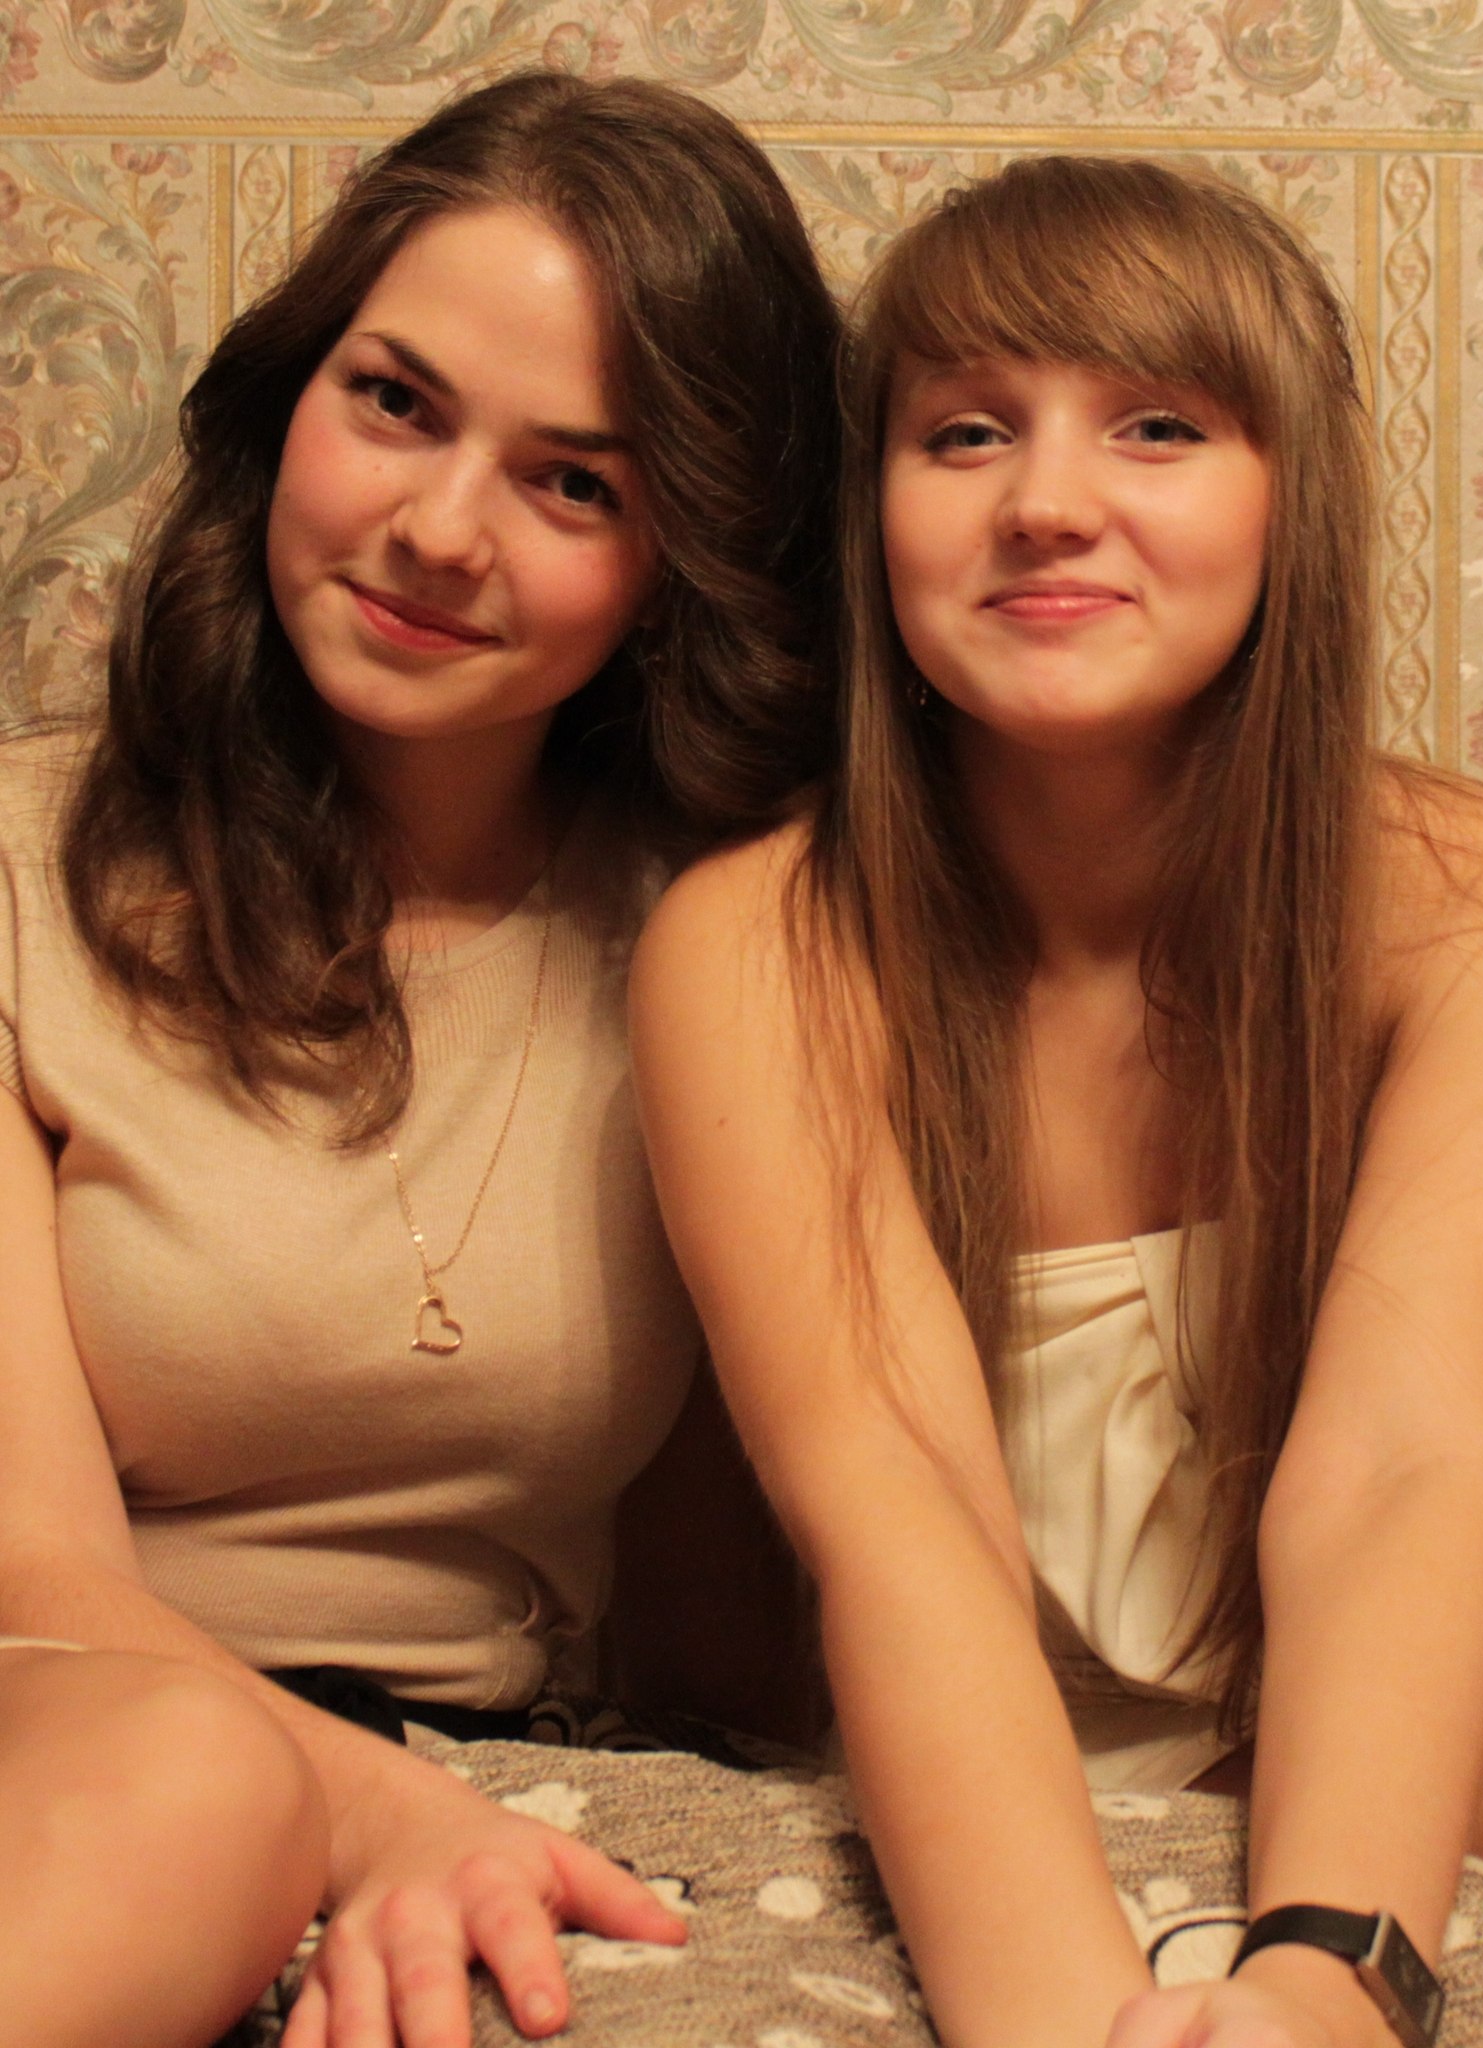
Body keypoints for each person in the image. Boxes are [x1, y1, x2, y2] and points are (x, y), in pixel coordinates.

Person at [0, 67, 839, 2048]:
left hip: (460, 1755)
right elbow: (25, 1564)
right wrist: (367, 1809)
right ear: (289, 395)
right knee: (198, 1781)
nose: (438, 531)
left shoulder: (714, 947)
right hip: (69, 1722)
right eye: (393, 402)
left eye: (575, 484)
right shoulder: (22, 876)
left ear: (685, 558)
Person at [631, 156, 1483, 2048]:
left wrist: (1325, 1985)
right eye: (962, 432)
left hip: (1366, 1793)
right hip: (960, 1823)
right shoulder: (756, 944)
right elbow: (896, 1509)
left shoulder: (1456, 910)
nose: (1042, 501)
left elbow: (1405, 1475)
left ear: (1293, 500)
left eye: (1157, 426)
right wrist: (1055, 2019)